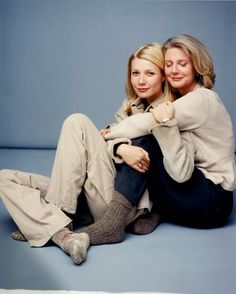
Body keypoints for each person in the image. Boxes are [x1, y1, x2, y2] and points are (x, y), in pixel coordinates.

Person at [0, 43, 169, 264]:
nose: (141, 80)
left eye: (150, 73)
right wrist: (119, 147)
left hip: (121, 205)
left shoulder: (167, 113)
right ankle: (61, 233)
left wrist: (114, 143)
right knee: (4, 178)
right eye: (135, 73)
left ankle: (51, 220)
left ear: (164, 76)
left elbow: (159, 167)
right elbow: (106, 142)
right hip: (94, 192)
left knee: (77, 121)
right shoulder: (128, 107)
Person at [73, 34, 235, 263]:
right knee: (157, 139)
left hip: (210, 201)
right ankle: (150, 212)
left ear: (198, 66)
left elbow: (144, 124)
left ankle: (112, 224)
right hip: (195, 194)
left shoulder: (201, 99)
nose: (174, 70)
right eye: (169, 64)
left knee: (147, 139)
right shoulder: (182, 99)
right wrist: (116, 141)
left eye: (182, 63)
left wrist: (107, 134)